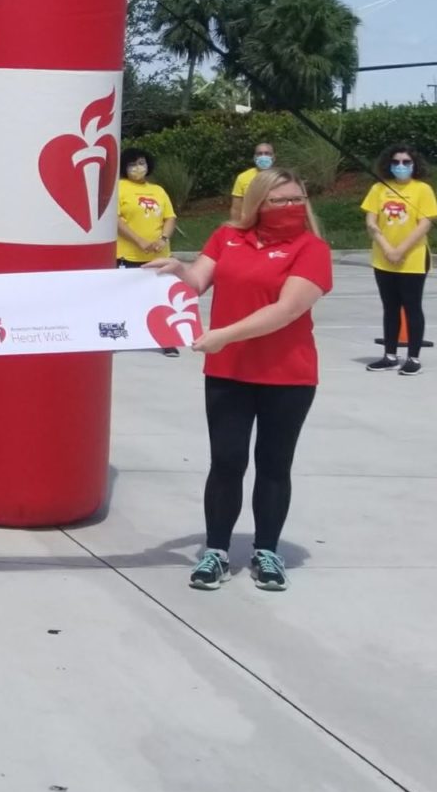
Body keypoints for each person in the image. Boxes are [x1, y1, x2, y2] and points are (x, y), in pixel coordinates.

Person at [150, 169, 331, 593]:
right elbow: (198, 282)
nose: (290, 208)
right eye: (278, 201)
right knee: (227, 462)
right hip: (228, 371)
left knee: (273, 465)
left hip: (288, 375)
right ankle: (215, 551)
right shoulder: (227, 237)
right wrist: (178, 268)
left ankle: (266, 551)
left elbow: (287, 310)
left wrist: (223, 336)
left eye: (295, 199)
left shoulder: (312, 248)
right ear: (257, 203)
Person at [363, 144, 437, 374]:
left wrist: (401, 251)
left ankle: (413, 358)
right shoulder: (378, 188)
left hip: (413, 258)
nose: (401, 166)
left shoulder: (423, 189)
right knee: (390, 307)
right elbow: (371, 222)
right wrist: (388, 248)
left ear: (414, 165)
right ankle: (389, 354)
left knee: (412, 307)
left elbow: (424, 224)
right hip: (383, 257)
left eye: (406, 162)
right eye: (396, 162)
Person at [116, 146, 181, 358]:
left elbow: (169, 217)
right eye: (133, 164)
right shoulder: (119, 188)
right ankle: (120, 336)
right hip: (128, 254)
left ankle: (166, 339)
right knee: (125, 298)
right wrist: (139, 241)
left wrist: (163, 239)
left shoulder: (158, 191)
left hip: (158, 255)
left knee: (160, 298)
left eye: (141, 163)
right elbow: (116, 220)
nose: (138, 168)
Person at [229, 142, 276, 221]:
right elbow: (236, 208)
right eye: (259, 154)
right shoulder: (242, 178)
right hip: (250, 222)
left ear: (273, 157)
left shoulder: (282, 177)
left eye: (267, 153)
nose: (263, 156)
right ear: (255, 157)